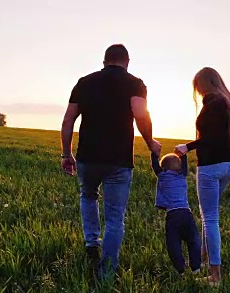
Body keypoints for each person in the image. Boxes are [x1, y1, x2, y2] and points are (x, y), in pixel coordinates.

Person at [60, 44, 161, 278]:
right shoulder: (135, 83)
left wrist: (66, 153)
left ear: (105, 61)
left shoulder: (84, 82)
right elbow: (140, 114)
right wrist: (150, 142)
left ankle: (91, 243)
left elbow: (68, 121)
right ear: (127, 62)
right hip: (119, 159)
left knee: (88, 196)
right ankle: (106, 273)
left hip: (88, 157)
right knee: (115, 216)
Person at [174, 67, 230, 286]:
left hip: (211, 166)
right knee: (208, 216)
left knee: (210, 219)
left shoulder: (214, 103)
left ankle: (215, 275)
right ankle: (204, 263)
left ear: (204, 83)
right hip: (228, 166)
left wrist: (188, 146)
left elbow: (211, 137)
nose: (199, 92)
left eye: (198, 87)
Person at [151, 152, 201, 275]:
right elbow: (185, 166)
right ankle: (196, 267)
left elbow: (155, 167)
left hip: (172, 215)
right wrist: (183, 154)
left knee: (173, 243)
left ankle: (181, 269)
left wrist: (154, 154)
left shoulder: (162, 176)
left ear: (164, 168)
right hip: (186, 213)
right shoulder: (182, 175)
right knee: (193, 240)